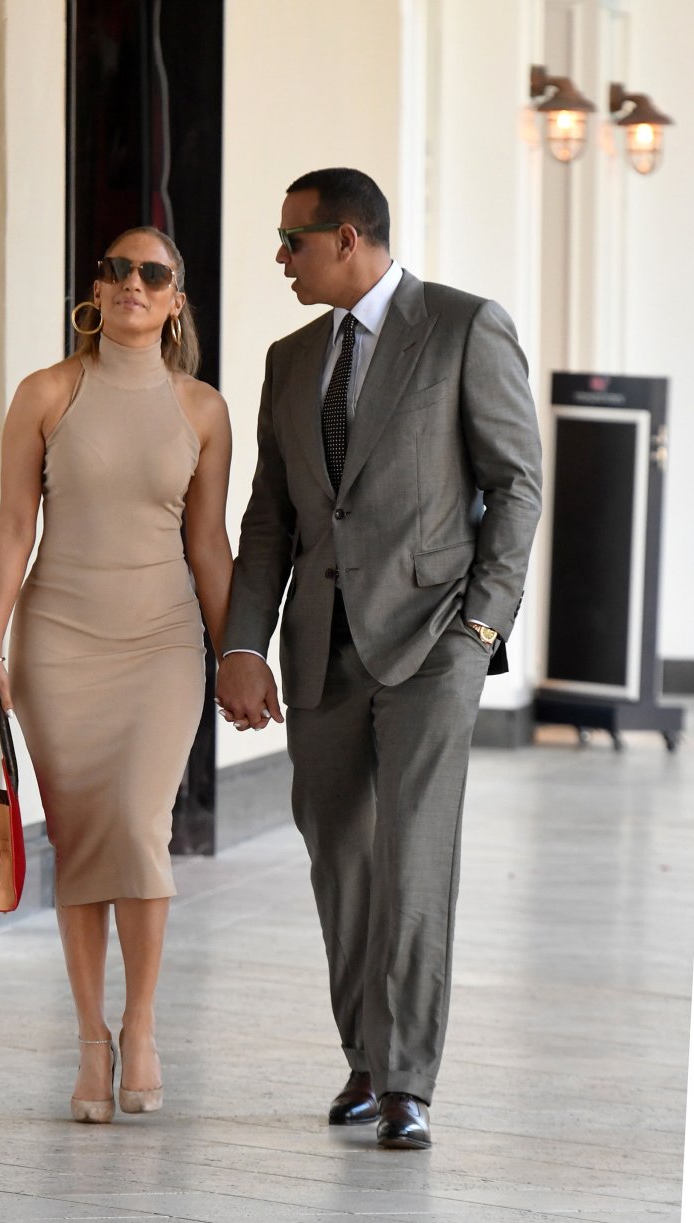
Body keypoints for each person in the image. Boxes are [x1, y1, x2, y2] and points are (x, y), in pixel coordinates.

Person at [216, 168, 542, 1149]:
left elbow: (516, 484)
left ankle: (405, 1080)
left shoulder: (462, 328)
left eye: (293, 241)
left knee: (413, 854)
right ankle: (364, 1053)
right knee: (340, 857)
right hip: (320, 646)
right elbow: (269, 517)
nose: (281, 259)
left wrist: (480, 628)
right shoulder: (289, 358)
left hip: (434, 640)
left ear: (347, 238)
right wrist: (243, 641)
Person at [0, 226, 233, 1124]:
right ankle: (92, 1039)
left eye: (153, 274)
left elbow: (210, 544)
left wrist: (238, 656)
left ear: (175, 301)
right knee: (84, 840)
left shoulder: (203, 409)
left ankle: (143, 1024)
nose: (133, 282)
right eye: (118, 269)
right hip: (59, 643)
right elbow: (14, 524)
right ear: (98, 289)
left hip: (161, 645)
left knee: (136, 825)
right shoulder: (46, 392)